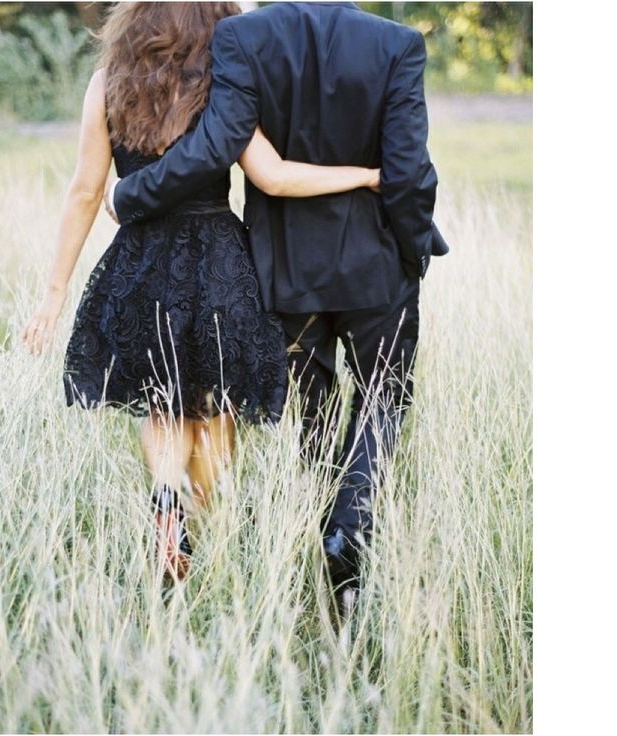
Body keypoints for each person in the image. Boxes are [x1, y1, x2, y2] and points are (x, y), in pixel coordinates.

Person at [21, 2, 387, 581]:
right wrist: (366, 175)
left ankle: (167, 503)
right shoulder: (224, 84)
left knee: (164, 403)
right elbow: (274, 175)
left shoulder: (107, 82)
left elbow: (85, 191)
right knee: (216, 410)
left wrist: (54, 291)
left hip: (142, 263)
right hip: (220, 260)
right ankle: (195, 518)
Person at [105, 1, 450, 604]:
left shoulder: (242, 38)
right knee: (383, 396)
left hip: (287, 269)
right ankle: (347, 530)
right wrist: (413, 247)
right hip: (377, 266)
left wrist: (132, 192)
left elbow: (215, 146)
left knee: (313, 406)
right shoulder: (398, 44)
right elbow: (409, 170)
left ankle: (317, 523)